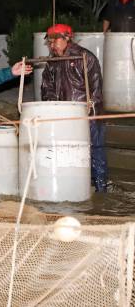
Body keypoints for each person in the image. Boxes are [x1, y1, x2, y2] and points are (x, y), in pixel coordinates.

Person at [41, 23, 107, 192]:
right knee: (69, 154)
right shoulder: (52, 62)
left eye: (55, 41)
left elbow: (96, 87)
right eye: (50, 41)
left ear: (67, 38)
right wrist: (51, 107)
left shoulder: (85, 57)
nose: (52, 45)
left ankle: (101, 188)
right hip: (63, 116)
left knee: (95, 152)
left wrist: (90, 110)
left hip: (88, 115)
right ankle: (74, 187)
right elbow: (46, 87)